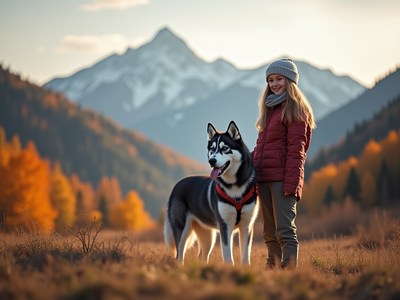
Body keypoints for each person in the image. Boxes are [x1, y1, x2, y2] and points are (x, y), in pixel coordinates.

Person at [252, 58, 316, 269]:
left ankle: (288, 274)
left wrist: (292, 184)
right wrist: (242, 161)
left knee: (285, 231)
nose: (274, 83)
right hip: (263, 179)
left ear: (290, 81)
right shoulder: (269, 111)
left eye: (279, 78)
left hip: (282, 180)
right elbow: (262, 149)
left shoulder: (296, 111)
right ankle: (272, 270)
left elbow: (297, 152)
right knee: (269, 232)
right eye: (270, 80)